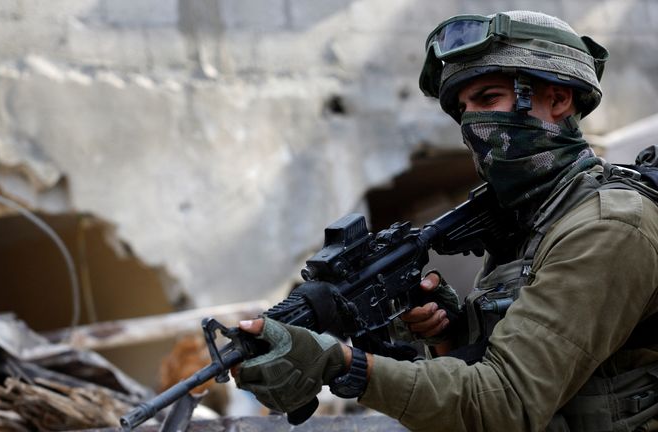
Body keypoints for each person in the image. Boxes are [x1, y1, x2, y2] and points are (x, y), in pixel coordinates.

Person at [233, 10, 658, 432]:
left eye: (489, 99)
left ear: (559, 98)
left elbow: (505, 402)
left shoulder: (608, 226)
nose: (472, 121)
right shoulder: (534, 217)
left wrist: (343, 364)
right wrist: (452, 334)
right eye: (462, 108)